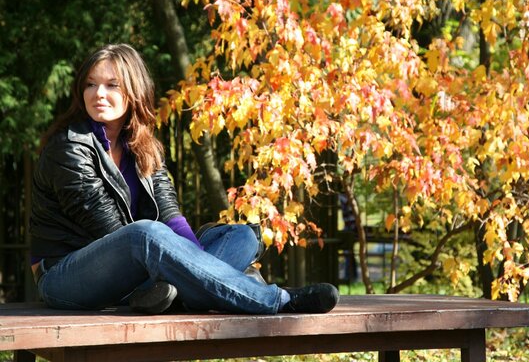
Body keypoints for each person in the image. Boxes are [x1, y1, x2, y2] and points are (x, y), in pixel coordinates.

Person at [30, 43, 339, 315]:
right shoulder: (68, 146)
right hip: (65, 276)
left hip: (135, 266)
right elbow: (110, 230)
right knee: (144, 234)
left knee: (241, 236)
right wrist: (189, 268)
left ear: (133, 91)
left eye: (112, 85)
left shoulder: (144, 145)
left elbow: (170, 213)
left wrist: (194, 263)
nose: (98, 94)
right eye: (90, 85)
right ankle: (276, 300)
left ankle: (168, 296)